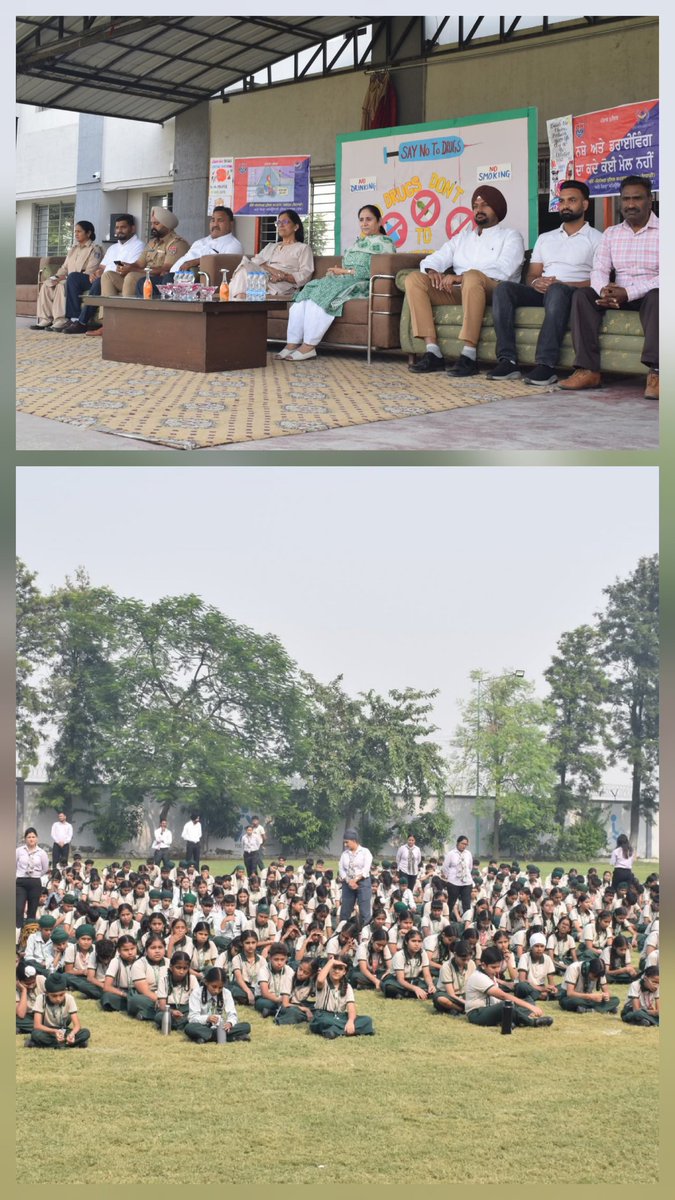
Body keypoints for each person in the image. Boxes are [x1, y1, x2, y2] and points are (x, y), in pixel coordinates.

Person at [486, 180, 603, 385]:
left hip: (573, 293)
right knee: (504, 288)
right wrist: (536, 283)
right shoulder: (545, 238)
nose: (565, 205)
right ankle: (508, 360)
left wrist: (564, 285)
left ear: (585, 205)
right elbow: (532, 275)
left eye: (572, 201)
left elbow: (599, 280)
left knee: (557, 289)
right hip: (544, 293)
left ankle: (546, 365)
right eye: (562, 201)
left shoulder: (598, 239)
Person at [406, 186, 524, 376]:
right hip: (461, 290)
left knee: (472, 277)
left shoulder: (511, 236)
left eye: (485, 205)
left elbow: (504, 270)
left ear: (498, 209)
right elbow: (435, 258)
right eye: (475, 206)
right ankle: (433, 352)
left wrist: (461, 277)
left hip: (495, 291)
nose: (478, 210)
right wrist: (432, 270)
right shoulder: (462, 238)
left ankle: (469, 355)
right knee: (415, 279)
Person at [559, 175, 659, 399]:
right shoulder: (612, 233)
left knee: (659, 296)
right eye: (625, 199)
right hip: (617, 296)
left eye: (637, 198)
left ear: (649, 200)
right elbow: (599, 269)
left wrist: (629, 293)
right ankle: (588, 370)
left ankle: (659, 373)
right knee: (583, 296)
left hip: (649, 296)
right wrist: (603, 290)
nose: (630, 204)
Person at [277, 204, 395, 359]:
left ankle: (309, 346)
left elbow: (376, 270)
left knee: (321, 296)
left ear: (379, 221)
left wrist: (344, 272)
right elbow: (348, 266)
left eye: (369, 219)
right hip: (344, 279)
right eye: (361, 220)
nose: (364, 223)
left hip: (362, 283)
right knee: (306, 293)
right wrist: (337, 271)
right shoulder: (359, 242)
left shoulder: (385, 243)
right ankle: (292, 343)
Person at [90, 207, 188, 327]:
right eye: (152, 223)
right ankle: (108, 323)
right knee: (108, 275)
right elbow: (139, 264)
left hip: (158, 281)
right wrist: (126, 266)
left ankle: (126, 323)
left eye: (157, 224)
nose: (153, 227)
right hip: (141, 279)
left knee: (131, 276)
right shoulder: (152, 243)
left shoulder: (176, 243)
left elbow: (166, 269)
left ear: (167, 225)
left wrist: (132, 270)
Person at [63, 213, 145, 333]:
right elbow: (102, 267)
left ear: (132, 228)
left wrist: (100, 276)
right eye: (117, 228)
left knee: (101, 280)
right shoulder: (113, 248)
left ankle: (82, 322)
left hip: (120, 279)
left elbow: (128, 269)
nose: (119, 230)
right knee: (74, 277)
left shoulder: (139, 246)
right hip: (103, 278)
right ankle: (74, 318)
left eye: (123, 227)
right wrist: (96, 273)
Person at [30, 221, 103, 331]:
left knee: (61, 285)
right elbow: (64, 268)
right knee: (48, 283)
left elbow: (90, 272)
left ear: (88, 233)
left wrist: (64, 278)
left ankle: (61, 320)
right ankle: (46, 319)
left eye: (79, 231)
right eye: (75, 232)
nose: (76, 234)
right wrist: (56, 277)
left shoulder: (95, 249)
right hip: (69, 278)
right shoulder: (73, 249)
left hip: (85, 280)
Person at [229, 210, 313, 302]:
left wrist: (283, 276)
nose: (281, 225)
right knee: (244, 268)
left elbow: (305, 275)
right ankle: (239, 302)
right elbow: (255, 262)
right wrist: (271, 270)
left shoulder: (303, 248)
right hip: (262, 279)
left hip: (282, 284)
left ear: (296, 227)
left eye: (285, 222)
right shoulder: (271, 246)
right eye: (278, 222)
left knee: (243, 281)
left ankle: (237, 303)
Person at [464, 945, 553, 1027]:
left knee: (527, 1000)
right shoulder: (478, 977)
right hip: (477, 1014)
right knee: (506, 1005)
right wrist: (531, 1007)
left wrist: (527, 1004)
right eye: (493, 967)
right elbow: (503, 996)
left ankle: (507, 1020)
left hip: (492, 1009)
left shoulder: (490, 975)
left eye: (498, 966)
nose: (497, 970)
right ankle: (532, 1022)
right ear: (483, 965)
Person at [308, 954, 374, 1038]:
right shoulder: (324, 982)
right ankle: (343, 1030)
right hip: (323, 1015)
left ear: (344, 972)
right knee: (323, 1021)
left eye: (340, 968)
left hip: (340, 1016)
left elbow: (351, 1007)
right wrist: (331, 962)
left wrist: (350, 1021)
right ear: (329, 968)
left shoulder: (348, 987)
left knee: (367, 1020)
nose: (337, 971)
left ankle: (334, 1031)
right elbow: (320, 979)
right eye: (334, 967)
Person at [25, 971, 90, 1049]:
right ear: (47, 993)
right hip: (47, 1031)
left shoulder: (69, 998)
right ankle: (69, 1044)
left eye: (61, 995)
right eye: (54, 996)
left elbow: (77, 1025)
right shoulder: (40, 998)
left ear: (65, 991)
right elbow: (37, 1025)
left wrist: (72, 1034)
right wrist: (54, 1031)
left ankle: (47, 1044)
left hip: (63, 1030)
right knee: (36, 1034)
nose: (58, 999)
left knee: (85, 1032)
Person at [184, 967, 251, 1042]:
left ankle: (206, 1037)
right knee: (189, 1027)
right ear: (206, 982)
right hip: (202, 1026)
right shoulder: (197, 993)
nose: (216, 991)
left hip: (221, 1027)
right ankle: (229, 1037)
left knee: (246, 1026)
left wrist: (229, 1023)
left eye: (220, 988)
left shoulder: (226, 993)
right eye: (214, 986)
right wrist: (207, 1018)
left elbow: (232, 1014)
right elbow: (192, 1018)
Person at [169, 206, 243, 272]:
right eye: (213, 220)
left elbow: (223, 265)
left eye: (220, 220)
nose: (215, 224)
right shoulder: (199, 242)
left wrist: (195, 262)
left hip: (196, 281)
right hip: (173, 276)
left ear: (231, 224)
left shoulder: (233, 245)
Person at [16, 828, 50, 931]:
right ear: (25, 839)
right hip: (21, 882)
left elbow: (45, 868)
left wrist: (36, 875)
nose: (31, 839)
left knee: (32, 910)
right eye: (29, 837)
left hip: (35, 882)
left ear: (37, 839)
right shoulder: (19, 851)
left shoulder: (42, 852)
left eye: (33, 837)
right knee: (18, 908)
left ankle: (28, 935)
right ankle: (17, 931)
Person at [338, 828, 373, 926]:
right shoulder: (344, 854)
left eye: (347, 842)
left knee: (364, 911)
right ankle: (342, 931)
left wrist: (356, 880)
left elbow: (366, 869)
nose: (345, 845)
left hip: (363, 882)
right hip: (348, 883)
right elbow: (341, 869)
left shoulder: (365, 852)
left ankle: (365, 933)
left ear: (354, 841)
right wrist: (349, 881)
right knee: (345, 910)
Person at [441, 835, 474, 919]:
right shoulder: (451, 854)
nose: (464, 846)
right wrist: (450, 877)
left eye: (466, 844)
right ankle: (447, 919)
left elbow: (469, 867)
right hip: (454, 882)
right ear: (458, 843)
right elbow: (445, 867)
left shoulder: (468, 854)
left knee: (466, 903)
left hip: (466, 882)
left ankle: (466, 921)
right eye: (462, 843)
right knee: (451, 902)